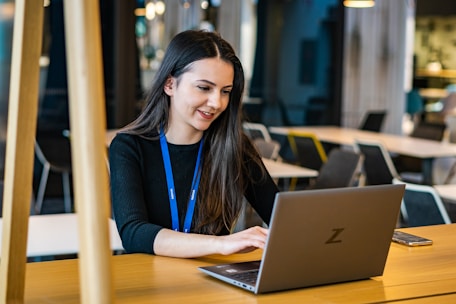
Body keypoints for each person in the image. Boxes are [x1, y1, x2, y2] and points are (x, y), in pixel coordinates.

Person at [109, 30, 279, 258]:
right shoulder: (129, 146)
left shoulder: (234, 147)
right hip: (148, 279)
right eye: (204, 88)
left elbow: (280, 217)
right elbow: (134, 233)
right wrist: (220, 244)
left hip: (214, 279)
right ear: (170, 84)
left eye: (225, 91)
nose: (216, 103)